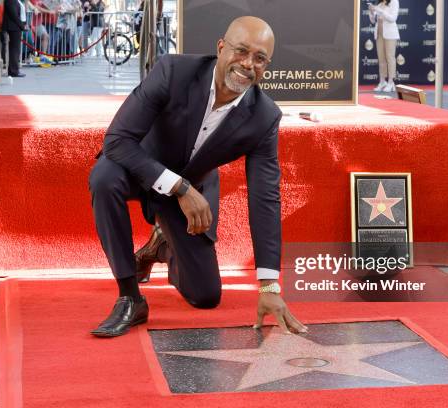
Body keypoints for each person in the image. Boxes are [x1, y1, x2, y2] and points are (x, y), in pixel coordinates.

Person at [88, 16, 307, 338]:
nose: (247, 64)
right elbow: (117, 141)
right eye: (241, 51)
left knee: (205, 296)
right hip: (140, 169)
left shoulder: (264, 116)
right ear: (221, 47)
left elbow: (265, 198)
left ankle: (158, 246)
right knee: (104, 177)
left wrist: (268, 285)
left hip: (193, 192)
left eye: (259, 58)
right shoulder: (174, 72)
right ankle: (130, 297)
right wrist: (179, 187)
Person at [368, 0, 400, 92]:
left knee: (390, 57)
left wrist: (380, 11)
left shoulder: (394, 2)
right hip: (379, 33)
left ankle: (391, 82)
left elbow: (393, 18)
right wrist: (371, 11)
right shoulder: (380, 3)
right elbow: (373, 20)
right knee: (381, 59)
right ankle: (382, 82)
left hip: (390, 33)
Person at [1, 0, 28, 77]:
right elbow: (14, 15)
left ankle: (13, 69)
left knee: (15, 49)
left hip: (15, 27)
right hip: (13, 27)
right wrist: (22, 26)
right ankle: (14, 71)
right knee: (15, 49)